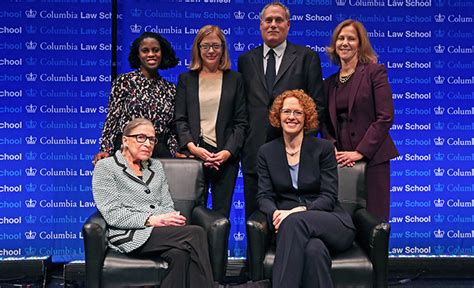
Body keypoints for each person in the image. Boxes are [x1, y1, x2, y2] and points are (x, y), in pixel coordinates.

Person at [92, 118, 214, 288]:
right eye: (141, 137)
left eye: (152, 139)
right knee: (196, 234)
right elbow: (112, 213)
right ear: (125, 140)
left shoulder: (155, 166)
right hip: (128, 234)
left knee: (180, 254)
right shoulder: (106, 167)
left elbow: (166, 204)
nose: (148, 144)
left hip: (157, 231)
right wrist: (152, 220)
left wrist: (168, 219)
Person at [257, 90, 355, 288]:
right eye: (286, 112)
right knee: (314, 251)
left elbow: (328, 196)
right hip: (288, 228)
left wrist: (298, 212)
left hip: (330, 221)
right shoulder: (266, 152)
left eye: (298, 112)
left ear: (306, 117)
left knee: (294, 222)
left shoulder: (324, 149)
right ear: (278, 116)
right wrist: (276, 213)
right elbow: (264, 196)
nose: (291, 117)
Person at [238, 1, 324, 219]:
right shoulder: (245, 60)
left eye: (279, 20)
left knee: (293, 218)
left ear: (288, 25)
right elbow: (242, 108)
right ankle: (256, 255)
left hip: (295, 156)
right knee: (255, 220)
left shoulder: (307, 57)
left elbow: (317, 106)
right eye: (268, 20)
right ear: (260, 25)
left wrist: (304, 148)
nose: (273, 25)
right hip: (254, 152)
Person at [322, 19, 399, 221]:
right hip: (341, 162)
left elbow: (385, 117)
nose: (345, 43)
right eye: (340, 38)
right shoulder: (328, 83)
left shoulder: (374, 72)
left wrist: (360, 152)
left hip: (373, 157)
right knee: (343, 219)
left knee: (374, 220)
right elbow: (324, 121)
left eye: (351, 39)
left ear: (360, 44)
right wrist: (332, 147)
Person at [175, 25, 247, 218]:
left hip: (225, 158)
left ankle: (219, 250)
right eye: (205, 46)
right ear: (197, 49)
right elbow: (180, 119)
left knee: (220, 217)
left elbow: (241, 122)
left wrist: (227, 152)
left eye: (216, 45)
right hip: (194, 156)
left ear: (223, 48)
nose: (211, 51)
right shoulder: (186, 79)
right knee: (192, 215)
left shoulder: (236, 79)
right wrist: (192, 148)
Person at [93, 32, 179, 165]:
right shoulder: (123, 82)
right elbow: (112, 119)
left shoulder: (171, 89)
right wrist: (105, 149)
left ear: (162, 54)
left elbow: (172, 129)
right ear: (138, 55)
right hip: (127, 151)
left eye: (155, 50)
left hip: (159, 153)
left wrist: (175, 152)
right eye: (145, 50)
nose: (151, 54)